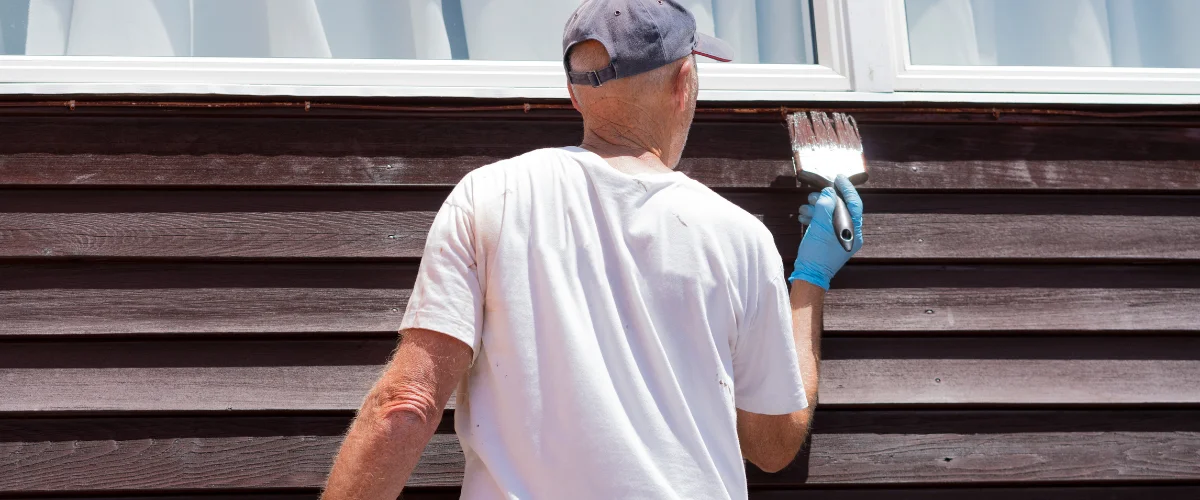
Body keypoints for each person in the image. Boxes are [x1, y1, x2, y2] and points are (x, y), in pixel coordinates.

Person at [321, 0, 864, 498]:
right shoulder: (741, 238)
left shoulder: (489, 198)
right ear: (684, 82)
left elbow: (405, 408)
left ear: (575, 93)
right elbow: (772, 445)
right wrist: (810, 279)